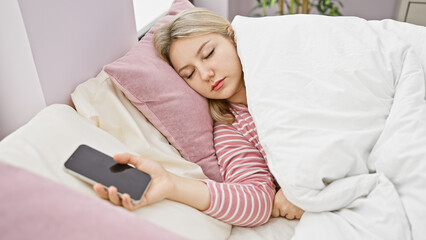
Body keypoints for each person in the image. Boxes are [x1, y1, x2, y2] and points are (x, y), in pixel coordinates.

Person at [93, 7, 304, 227]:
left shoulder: (287, 64)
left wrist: (300, 186)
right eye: (189, 74)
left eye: (208, 54)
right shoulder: (231, 128)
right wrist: (173, 184)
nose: (205, 75)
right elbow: (256, 199)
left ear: (231, 36)